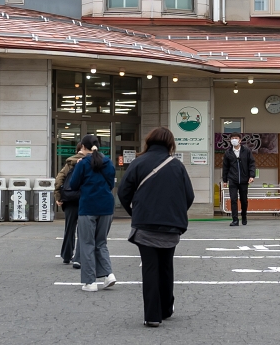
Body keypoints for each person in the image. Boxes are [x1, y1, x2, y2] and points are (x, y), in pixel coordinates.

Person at [117, 126, 194, 328]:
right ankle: (166, 309)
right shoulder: (177, 166)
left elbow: (124, 192)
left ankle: (152, 315)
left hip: (145, 224)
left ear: (149, 141)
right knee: (166, 266)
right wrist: (175, 213)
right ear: (170, 144)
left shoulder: (138, 162)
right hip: (171, 224)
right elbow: (189, 196)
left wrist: (136, 213)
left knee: (150, 267)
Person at [67, 134, 117, 291]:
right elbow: (110, 183)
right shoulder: (108, 162)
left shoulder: (82, 163)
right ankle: (108, 275)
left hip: (88, 206)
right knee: (101, 242)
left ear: (83, 147)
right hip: (107, 206)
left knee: (87, 243)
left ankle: (90, 282)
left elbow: (73, 184)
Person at [55, 140, 90, 268]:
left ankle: (66, 255)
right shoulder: (91, 161)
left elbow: (60, 179)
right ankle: (79, 257)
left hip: (70, 199)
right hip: (84, 199)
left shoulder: (70, 162)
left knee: (69, 228)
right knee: (83, 229)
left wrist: (58, 196)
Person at [220, 134, 255, 226]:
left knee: (244, 200)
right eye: (232, 138)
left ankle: (244, 216)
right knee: (233, 199)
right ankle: (235, 219)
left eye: (236, 138)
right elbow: (225, 167)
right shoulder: (228, 152)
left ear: (240, 140)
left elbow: (251, 163)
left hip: (244, 180)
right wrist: (225, 180)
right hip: (232, 180)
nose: (234, 140)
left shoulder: (246, 151)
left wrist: (251, 176)